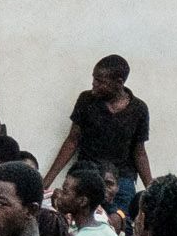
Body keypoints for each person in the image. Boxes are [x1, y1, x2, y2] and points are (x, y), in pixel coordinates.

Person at [45, 53, 153, 203]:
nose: (93, 84)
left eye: (99, 81)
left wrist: (151, 191)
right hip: (88, 174)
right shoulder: (86, 100)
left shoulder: (138, 109)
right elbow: (72, 141)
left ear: (119, 82)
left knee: (120, 219)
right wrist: (47, 181)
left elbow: (139, 152)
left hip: (121, 179)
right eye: (94, 78)